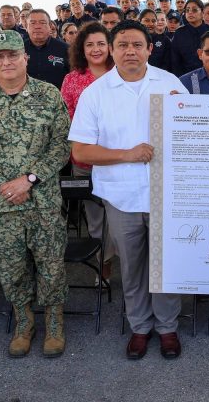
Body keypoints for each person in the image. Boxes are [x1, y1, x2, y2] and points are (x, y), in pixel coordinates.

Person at [69, 20, 188, 360]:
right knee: (132, 267)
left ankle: (167, 327)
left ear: (150, 49)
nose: (130, 51)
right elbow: (81, 151)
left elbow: (193, 134)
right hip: (121, 196)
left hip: (166, 194)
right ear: (111, 50)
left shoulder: (170, 84)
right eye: (122, 45)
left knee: (164, 265)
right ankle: (140, 326)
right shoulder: (96, 92)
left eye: (137, 45)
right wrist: (127, 154)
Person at [0, 29, 71, 359]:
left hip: (42, 201)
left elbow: (62, 145)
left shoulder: (48, 95)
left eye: (12, 55)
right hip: (0, 204)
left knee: (50, 263)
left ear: (25, 58)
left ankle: (54, 322)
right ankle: (24, 321)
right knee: (11, 265)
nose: (6, 61)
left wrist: (29, 180)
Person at [59, 21, 116, 272]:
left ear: (110, 47)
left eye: (101, 44)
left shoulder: (123, 74)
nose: (96, 49)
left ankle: (128, 261)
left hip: (120, 159)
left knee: (122, 216)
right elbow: (66, 118)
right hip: (85, 160)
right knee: (95, 217)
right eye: (89, 44)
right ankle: (104, 262)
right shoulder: (72, 79)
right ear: (81, 49)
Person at [23, 9, 70, 90]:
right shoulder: (19, 50)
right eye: (32, 23)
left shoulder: (66, 49)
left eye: (42, 23)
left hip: (58, 96)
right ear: (26, 27)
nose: (37, 26)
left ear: (50, 26)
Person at [170, 0, 209, 76]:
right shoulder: (179, 33)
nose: (190, 13)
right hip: (186, 76)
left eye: (194, 10)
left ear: (202, 13)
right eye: (187, 10)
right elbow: (175, 60)